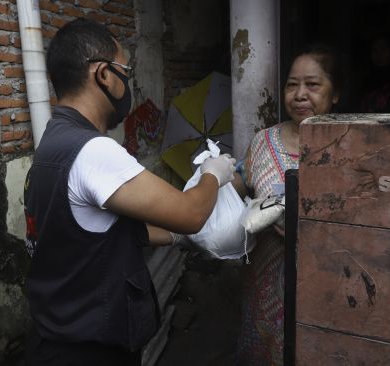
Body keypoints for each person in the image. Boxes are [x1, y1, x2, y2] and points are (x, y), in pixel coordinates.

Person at [23, 19, 236, 366]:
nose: (129, 82)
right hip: (92, 350)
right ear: (104, 75)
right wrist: (213, 174)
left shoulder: (54, 142)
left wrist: (175, 238)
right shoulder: (92, 151)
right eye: (126, 71)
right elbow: (191, 214)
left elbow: (93, 232)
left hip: (58, 337)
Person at [235, 44, 343, 366]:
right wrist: (215, 178)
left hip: (327, 282)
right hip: (267, 283)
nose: (299, 95)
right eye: (292, 85)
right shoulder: (263, 141)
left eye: (312, 85)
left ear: (335, 94)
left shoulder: (351, 146)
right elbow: (241, 185)